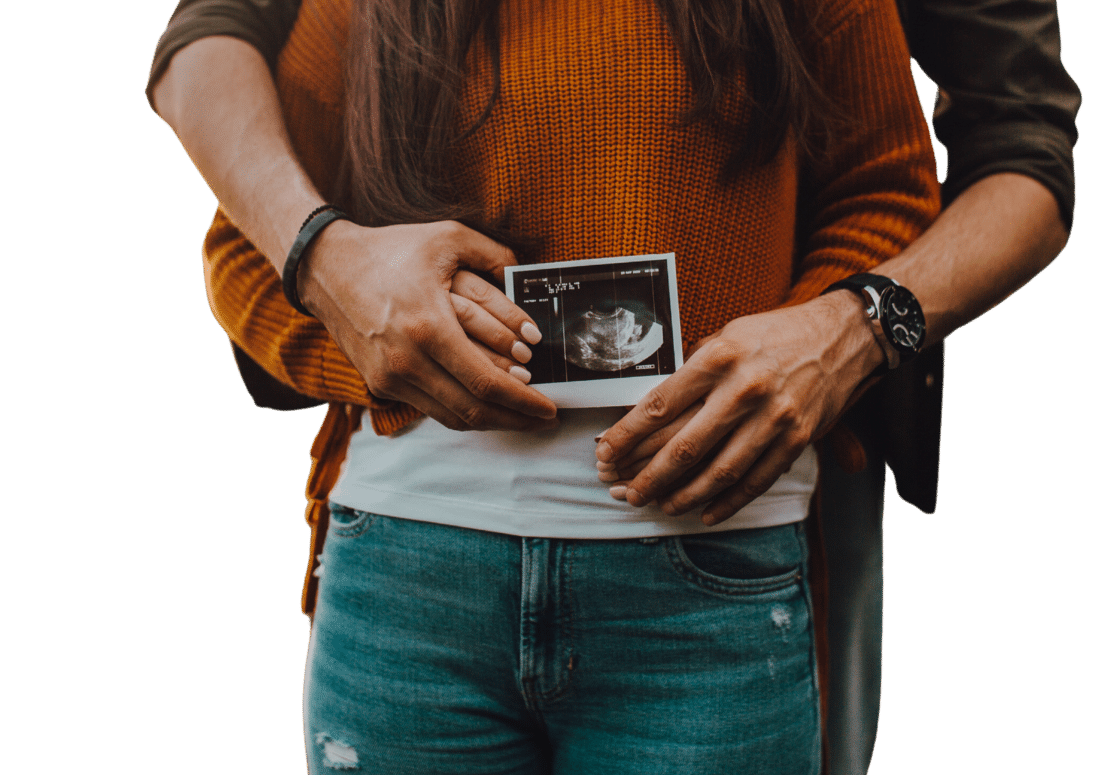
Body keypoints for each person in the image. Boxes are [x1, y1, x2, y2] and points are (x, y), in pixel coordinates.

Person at [146, 0, 1076, 772]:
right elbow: (245, 223)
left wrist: (831, 334)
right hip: (409, 573)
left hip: (710, 574)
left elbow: (910, 177)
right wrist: (363, 319)